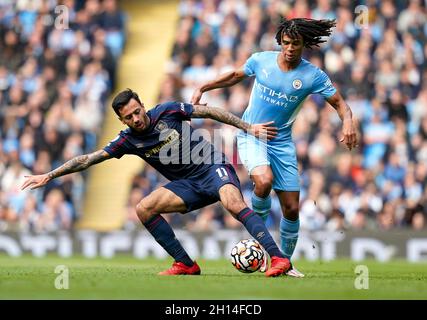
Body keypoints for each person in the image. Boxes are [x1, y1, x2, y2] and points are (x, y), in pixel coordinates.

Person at [21, 88, 291, 277]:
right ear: (121, 119)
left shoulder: (168, 111)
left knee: (233, 204)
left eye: (137, 112)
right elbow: (88, 159)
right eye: (129, 117)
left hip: (212, 167)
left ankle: (278, 257)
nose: (136, 119)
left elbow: (212, 113)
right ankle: (185, 264)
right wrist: (50, 175)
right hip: (187, 184)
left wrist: (248, 128)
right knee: (143, 208)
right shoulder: (127, 140)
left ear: (142, 105)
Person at [192, 18, 359, 277]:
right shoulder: (262, 60)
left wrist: (348, 122)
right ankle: (258, 238)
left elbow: (339, 104)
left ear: (305, 45)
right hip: (251, 134)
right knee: (263, 180)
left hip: (281, 142)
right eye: (287, 43)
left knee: (291, 207)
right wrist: (203, 87)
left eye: (296, 44)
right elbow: (235, 75)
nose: (290, 48)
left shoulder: (312, 75)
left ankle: (283, 263)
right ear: (281, 42)